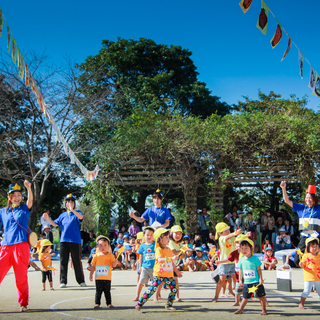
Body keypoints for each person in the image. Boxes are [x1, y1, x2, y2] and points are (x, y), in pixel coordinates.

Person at [0, 181, 33, 312]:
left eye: (19, 194)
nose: (17, 197)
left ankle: (23, 304)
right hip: (5, 247)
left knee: (21, 277)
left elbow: (30, 202)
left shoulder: (24, 209)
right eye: (14, 195)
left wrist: (29, 189)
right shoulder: (3, 211)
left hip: (21, 247)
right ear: (9, 197)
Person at [42, 193, 86, 288]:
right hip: (64, 241)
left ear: (74, 203)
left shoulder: (77, 212)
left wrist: (72, 210)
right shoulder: (63, 215)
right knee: (63, 261)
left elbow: (81, 217)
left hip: (75, 241)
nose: (70, 203)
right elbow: (54, 224)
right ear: (65, 204)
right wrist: (47, 218)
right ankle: (63, 281)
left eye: (71, 202)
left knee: (76, 261)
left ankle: (81, 280)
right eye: (68, 202)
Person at [135, 228, 183, 311]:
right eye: (166, 237)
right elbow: (160, 260)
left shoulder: (169, 249)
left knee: (174, 289)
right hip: (159, 274)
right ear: (159, 239)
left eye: (168, 237)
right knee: (152, 289)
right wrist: (171, 258)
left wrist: (177, 271)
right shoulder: (158, 249)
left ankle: (169, 305)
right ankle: (139, 303)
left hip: (168, 274)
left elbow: (172, 264)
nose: (168, 239)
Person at [280, 181, 320, 265]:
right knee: (297, 260)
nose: (308, 199)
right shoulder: (301, 208)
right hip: (305, 236)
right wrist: (283, 189)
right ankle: (288, 260)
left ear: (314, 199)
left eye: (310, 198)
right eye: (307, 197)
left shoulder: (318, 208)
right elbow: (287, 201)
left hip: (316, 237)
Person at [234, 238, 267, 315]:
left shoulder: (255, 258)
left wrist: (260, 278)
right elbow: (240, 271)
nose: (244, 250)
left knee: (261, 296)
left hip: (256, 281)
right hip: (247, 282)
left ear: (251, 248)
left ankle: (264, 310)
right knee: (245, 297)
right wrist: (240, 281)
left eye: (246, 248)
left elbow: (259, 269)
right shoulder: (241, 260)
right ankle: (240, 309)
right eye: (242, 248)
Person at [212, 222, 241, 303]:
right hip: (224, 263)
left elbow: (238, 240)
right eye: (226, 231)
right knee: (221, 281)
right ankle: (216, 297)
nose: (228, 232)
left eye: (228, 230)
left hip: (233, 262)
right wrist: (235, 233)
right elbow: (228, 237)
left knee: (236, 280)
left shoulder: (231, 238)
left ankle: (238, 297)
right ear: (220, 233)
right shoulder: (221, 239)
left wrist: (245, 236)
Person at [217, 234, 248, 307]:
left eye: (238, 243)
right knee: (237, 290)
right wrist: (220, 262)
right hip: (238, 276)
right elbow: (229, 259)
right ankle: (237, 302)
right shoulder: (234, 252)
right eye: (236, 242)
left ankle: (264, 302)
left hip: (247, 275)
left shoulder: (247, 253)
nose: (236, 244)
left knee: (254, 289)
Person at [90, 235, 118, 309]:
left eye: (105, 245)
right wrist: (91, 274)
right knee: (98, 291)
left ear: (108, 246)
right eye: (101, 245)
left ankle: (109, 303)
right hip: (98, 277)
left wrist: (115, 262)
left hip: (107, 277)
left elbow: (113, 265)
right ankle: (97, 303)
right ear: (97, 246)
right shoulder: (96, 256)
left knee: (107, 291)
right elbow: (92, 266)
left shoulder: (110, 256)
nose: (103, 247)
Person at [133, 226, 156, 301]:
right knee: (140, 282)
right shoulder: (142, 245)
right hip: (144, 267)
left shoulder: (156, 244)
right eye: (147, 235)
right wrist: (140, 267)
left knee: (156, 283)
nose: (149, 236)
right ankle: (137, 296)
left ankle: (157, 296)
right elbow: (140, 256)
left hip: (154, 268)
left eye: (151, 235)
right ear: (144, 236)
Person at [299, 237, 320, 309]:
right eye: (312, 246)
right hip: (309, 277)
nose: (315, 248)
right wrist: (301, 265)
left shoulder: (319, 256)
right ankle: (301, 304)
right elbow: (302, 264)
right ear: (308, 248)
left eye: (316, 246)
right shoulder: (306, 256)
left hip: (318, 277)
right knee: (307, 291)